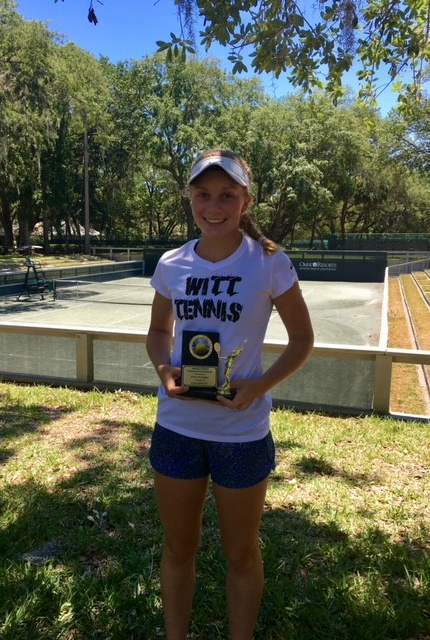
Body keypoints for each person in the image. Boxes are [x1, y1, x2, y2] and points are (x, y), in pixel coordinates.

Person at [146, 149, 314, 640]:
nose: (213, 205)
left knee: (241, 553)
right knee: (179, 549)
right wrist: (164, 370)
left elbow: (303, 340)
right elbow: (158, 330)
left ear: (245, 200)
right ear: (189, 199)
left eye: (226, 194)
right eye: (203, 194)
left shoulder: (268, 262)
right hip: (178, 428)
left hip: (242, 431)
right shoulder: (172, 263)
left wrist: (258, 387)